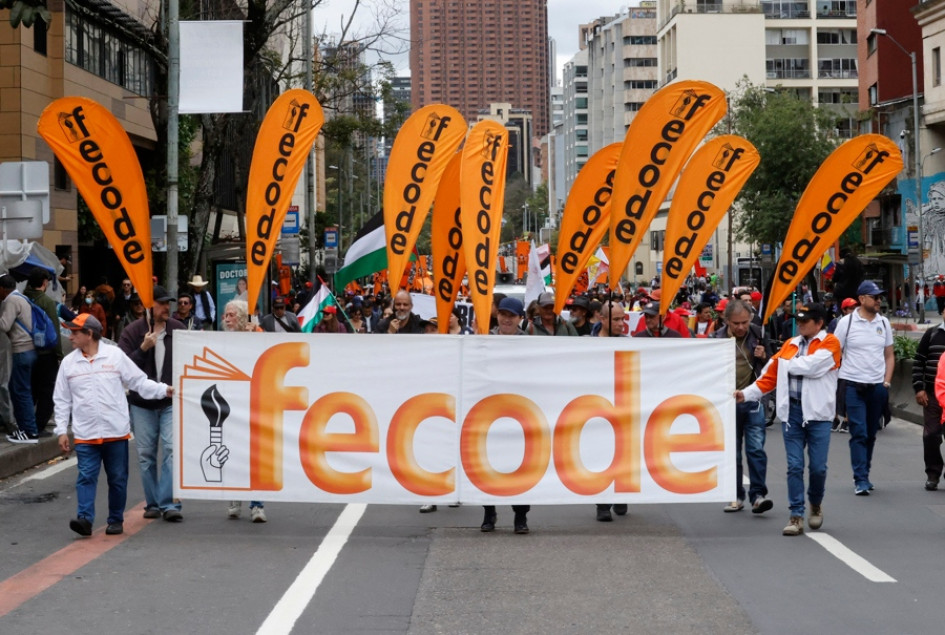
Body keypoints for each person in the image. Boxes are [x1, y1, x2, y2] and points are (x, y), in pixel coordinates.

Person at [55, 314, 173, 537]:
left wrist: (164, 389)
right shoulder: (69, 364)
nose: (70, 336)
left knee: (117, 479)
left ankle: (115, 519)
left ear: (89, 334)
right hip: (85, 434)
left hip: (115, 432)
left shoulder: (115, 356)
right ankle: (85, 519)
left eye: (75, 332)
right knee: (86, 476)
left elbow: (138, 381)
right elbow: (62, 399)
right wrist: (61, 430)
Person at [736, 304, 841, 536]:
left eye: (806, 320)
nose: (800, 324)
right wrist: (746, 394)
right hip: (792, 413)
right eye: (799, 320)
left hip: (818, 415)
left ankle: (815, 502)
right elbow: (768, 377)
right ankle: (796, 514)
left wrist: (783, 364)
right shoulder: (790, 345)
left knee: (818, 468)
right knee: (794, 466)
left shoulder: (830, 343)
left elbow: (812, 367)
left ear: (819, 323)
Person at [117, 286, 185, 523]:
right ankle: (153, 503)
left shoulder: (178, 329)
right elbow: (122, 369)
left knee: (171, 449)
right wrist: (143, 348)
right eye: (161, 303)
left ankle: (169, 502)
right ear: (149, 305)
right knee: (146, 455)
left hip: (170, 400)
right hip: (141, 402)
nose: (167, 308)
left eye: (168, 303)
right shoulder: (132, 332)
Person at [833, 280, 894, 495]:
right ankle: (860, 478)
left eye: (880, 296)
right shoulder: (847, 323)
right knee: (858, 432)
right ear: (862, 299)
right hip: (853, 385)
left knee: (870, 434)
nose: (879, 300)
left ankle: (864, 473)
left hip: (877, 387)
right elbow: (834, 352)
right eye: (875, 296)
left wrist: (886, 382)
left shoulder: (884, 323)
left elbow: (889, 355)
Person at [713, 298, 773, 514]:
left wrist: (764, 356)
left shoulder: (759, 334)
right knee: (732, 452)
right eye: (736, 323)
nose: (740, 327)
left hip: (753, 400)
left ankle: (758, 495)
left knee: (755, 449)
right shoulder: (716, 339)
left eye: (744, 323)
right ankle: (735, 495)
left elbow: (772, 368)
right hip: (727, 402)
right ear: (726, 320)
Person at [482, 295, 531, 534]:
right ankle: (488, 513)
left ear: (520, 319)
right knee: (487, 465)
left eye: (511, 316)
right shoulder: (485, 341)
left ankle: (520, 517)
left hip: (518, 414)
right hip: (489, 413)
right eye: (503, 314)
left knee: (519, 468)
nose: (506, 319)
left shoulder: (529, 344)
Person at [221, 300, 267, 522]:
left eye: (231, 315)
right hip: (230, 405)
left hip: (254, 403)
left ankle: (257, 505)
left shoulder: (257, 334)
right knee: (232, 453)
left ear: (241, 318)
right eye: (225, 315)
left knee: (255, 455)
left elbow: (268, 355)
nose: (226, 319)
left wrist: (254, 336)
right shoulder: (222, 340)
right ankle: (234, 497)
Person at [594, 300, 630, 522]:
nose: (621, 323)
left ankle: (620, 493)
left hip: (622, 406)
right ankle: (603, 504)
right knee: (601, 455)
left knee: (623, 453)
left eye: (623, 319)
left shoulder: (628, 343)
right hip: (598, 407)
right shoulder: (587, 344)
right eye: (616, 319)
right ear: (602, 319)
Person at [0, 274, 38, 442]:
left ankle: (29, 431)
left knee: (20, 392)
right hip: (30, 349)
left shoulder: (10, 300)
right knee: (23, 390)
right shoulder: (22, 297)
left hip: (20, 350)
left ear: (3, 288)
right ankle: (28, 429)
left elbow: (4, 325)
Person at [24, 269, 61, 436]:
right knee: (47, 392)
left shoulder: (22, 299)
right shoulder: (46, 301)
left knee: (29, 389)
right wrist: (59, 354)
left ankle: (26, 424)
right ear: (44, 283)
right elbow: (54, 330)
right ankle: (38, 426)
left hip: (25, 350)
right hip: (46, 353)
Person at [913, 301, 945, 491]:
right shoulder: (932, 334)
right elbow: (919, 362)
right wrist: (919, 388)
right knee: (931, 434)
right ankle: (933, 473)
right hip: (933, 395)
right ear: (942, 312)